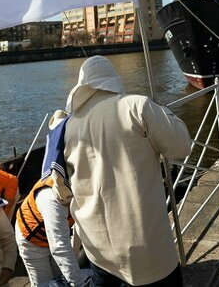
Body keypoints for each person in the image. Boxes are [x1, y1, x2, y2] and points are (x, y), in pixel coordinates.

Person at [62, 56, 192, 286]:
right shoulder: (137, 106)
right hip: (145, 245)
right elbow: (182, 146)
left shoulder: (71, 125)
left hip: (98, 245)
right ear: (112, 79)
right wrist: (161, 111)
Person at [16, 110, 92, 287]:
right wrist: (79, 283)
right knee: (45, 283)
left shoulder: (74, 183)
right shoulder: (50, 197)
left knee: (62, 273)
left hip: (53, 233)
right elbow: (59, 246)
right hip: (32, 241)